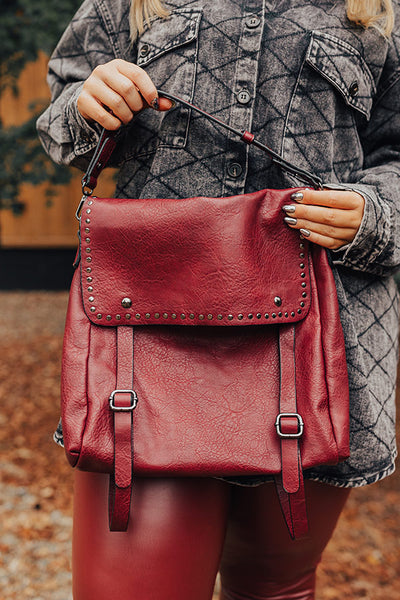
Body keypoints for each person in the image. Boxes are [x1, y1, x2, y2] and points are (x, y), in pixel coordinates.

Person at [37, 1, 400, 598]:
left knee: (272, 587)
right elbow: (63, 116)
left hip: (322, 340)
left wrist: (375, 215)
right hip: (148, 340)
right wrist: (86, 105)